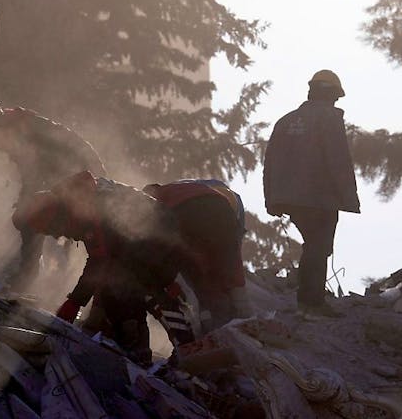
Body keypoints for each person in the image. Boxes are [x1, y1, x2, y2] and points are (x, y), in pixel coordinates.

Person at [13, 171, 194, 364]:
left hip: (158, 240)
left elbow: (99, 262)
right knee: (114, 286)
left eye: (51, 230)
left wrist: (74, 302)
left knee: (126, 286)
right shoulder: (76, 198)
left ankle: (159, 348)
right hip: (151, 237)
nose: (56, 236)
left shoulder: (86, 205)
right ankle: (133, 343)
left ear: (54, 216)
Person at [0, 98, 106, 291]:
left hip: (84, 176)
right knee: (40, 220)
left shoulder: (16, 129)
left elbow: (34, 168)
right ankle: (38, 278)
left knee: (37, 220)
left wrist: (27, 197)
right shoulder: (15, 123)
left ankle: (29, 280)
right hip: (77, 173)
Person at [263, 70, 360, 316]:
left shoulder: (285, 121)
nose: (335, 103)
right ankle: (311, 302)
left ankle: (308, 298)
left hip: (289, 198)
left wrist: (271, 199)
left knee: (313, 245)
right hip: (320, 198)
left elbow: (270, 162)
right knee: (319, 246)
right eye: (335, 98)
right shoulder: (329, 118)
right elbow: (338, 160)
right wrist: (349, 197)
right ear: (330, 94)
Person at [143, 179, 250, 331]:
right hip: (221, 208)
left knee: (197, 278)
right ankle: (239, 322)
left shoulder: (151, 201)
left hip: (184, 213)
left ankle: (210, 332)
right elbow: (232, 256)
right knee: (225, 266)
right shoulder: (185, 186)